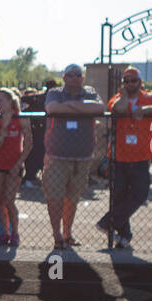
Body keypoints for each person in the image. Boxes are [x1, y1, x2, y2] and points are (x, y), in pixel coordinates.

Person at [98, 67, 152, 249]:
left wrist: (145, 109)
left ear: (140, 82)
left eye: (133, 80)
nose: (130, 84)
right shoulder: (118, 98)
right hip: (118, 156)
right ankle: (123, 235)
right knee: (119, 196)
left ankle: (109, 222)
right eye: (126, 80)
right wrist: (123, 96)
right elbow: (117, 109)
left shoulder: (149, 99)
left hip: (141, 157)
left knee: (139, 194)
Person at [42, 64, 104, 249]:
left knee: (72, 199)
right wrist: (82, 108)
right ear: (64, 77)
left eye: (78, 75)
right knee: (55, 198)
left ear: (83, 78)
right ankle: (57, 235)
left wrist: (68, 106)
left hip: (83, 156)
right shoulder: (55, 92)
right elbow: (52, 108)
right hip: (57, 156)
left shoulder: (90, 91)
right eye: (71, 75)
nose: (75, 78)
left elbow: (99, 108)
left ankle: (68, 233)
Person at [0, 87, 34, 246]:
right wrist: (5, 125)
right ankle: (4, 233)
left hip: (15, 164)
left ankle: (15, 233)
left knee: (9, 200)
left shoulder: (21, 117)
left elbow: (29, 144)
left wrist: (19, 163)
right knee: (1, 200)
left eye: (0, 100)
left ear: (10, 101)